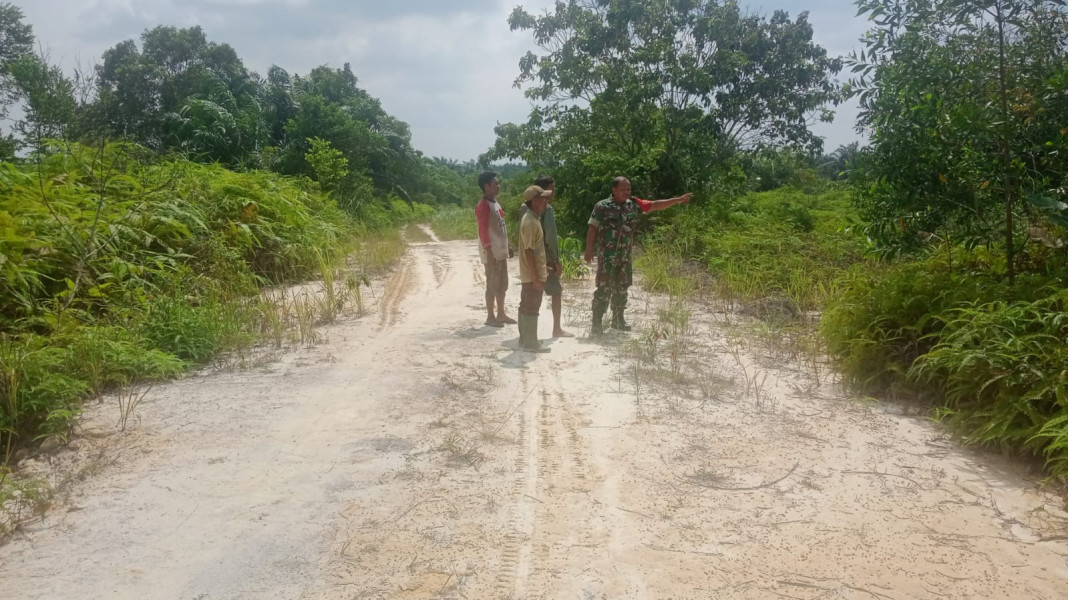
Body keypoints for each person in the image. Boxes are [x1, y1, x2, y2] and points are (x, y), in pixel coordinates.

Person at [584, 177, 692, 335]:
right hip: (607, 256)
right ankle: (596, 323)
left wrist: (677, 200)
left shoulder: (633, 204)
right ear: (614, 190)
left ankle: (618, 320)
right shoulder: (602, 206)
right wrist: (588, 250)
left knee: (622, 288)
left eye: (628, 189)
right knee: (603, 289)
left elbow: (654, 205)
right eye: (623, 189)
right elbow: (593, 227)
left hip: (625, 256)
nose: (627, 192)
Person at [516, 174, 572, 337]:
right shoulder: (545, 209)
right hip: (543, 259)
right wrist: (556, 260)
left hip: (528, 261)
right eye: (551, 190)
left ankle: (525, 335)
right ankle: (556, 329)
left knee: (526, 298)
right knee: (555, 292)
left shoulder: (523, 209)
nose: (552, 195)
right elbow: (550, 237)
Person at [475, 171, 516, 327]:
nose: (498, 186)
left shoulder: (495, 203)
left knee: (502, 284)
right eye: (495, 184)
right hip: (492, 253)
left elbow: (501, 227)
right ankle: (490, 316)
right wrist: (489, 251)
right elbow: (483, 230)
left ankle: (501, 314)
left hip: (501, 252)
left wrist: (508, 245)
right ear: (486, 186)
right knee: (492, 285)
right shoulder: (483, 206)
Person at [518, 185, 552, 353]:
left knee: (525, 305)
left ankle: (525, 340)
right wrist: (536, 278)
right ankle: (531, 344)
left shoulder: (531, 218)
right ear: (535, 201)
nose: (546, 201)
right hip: (532, 275)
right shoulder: (531, 221)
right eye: (543, 198)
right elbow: (529, 251)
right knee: (531, 307)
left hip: (530, 273)